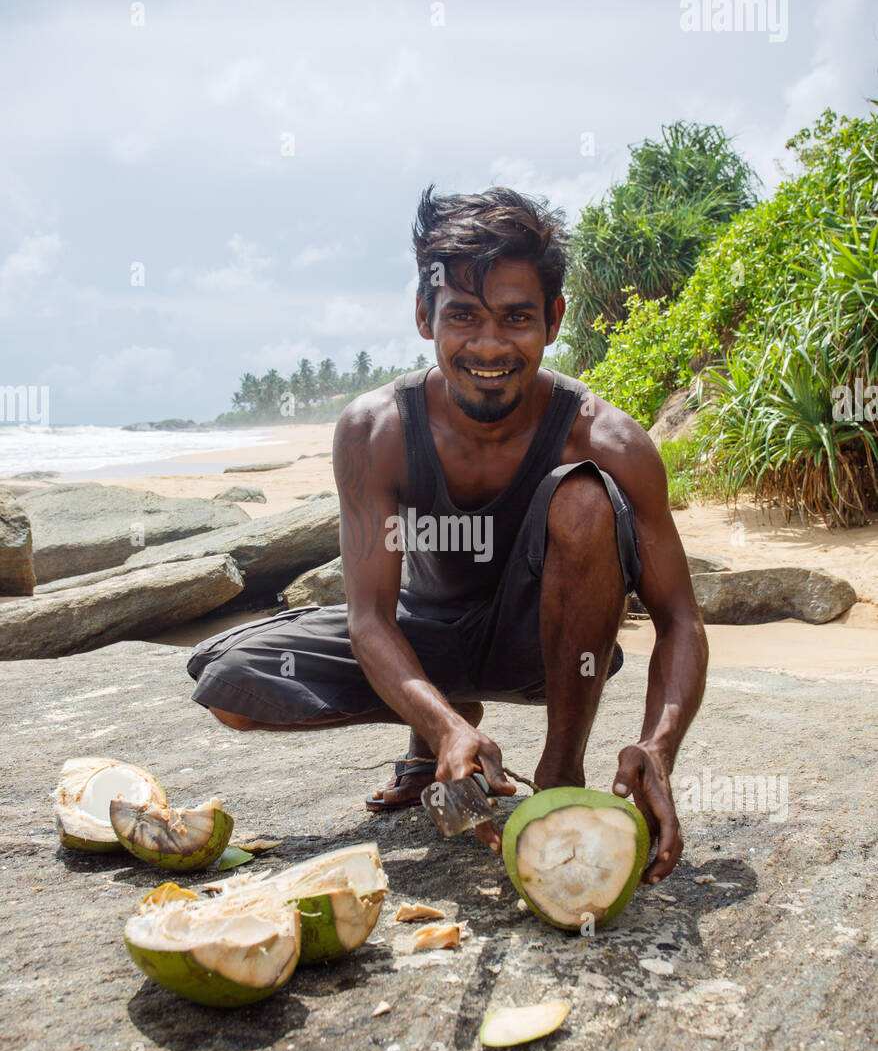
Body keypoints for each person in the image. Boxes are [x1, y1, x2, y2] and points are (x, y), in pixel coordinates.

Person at [187, 185, 708, 883]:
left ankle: (560, 766)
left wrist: (659, 747)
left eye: (516, 318)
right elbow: (370, 619)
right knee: (231, 684)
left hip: (545, 654)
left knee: (585, 500)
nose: (488, 346)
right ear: (423, 315)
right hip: (421, 641)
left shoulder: (609, 438)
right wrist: (445, 728)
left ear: (553, 320)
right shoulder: (375, 431)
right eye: (462, 316)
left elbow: (680, 619)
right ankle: (440, 722)